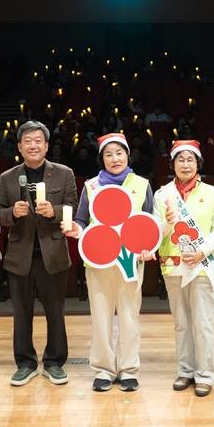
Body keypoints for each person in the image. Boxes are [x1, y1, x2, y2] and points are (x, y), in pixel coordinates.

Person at [66, 133, 155, 392]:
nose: (115, 158)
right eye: (108, 154)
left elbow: (150, 221)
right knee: (101, 317)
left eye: (119, 153)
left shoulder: (141, 184)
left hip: (131, 261)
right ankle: (104, 369)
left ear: (128, 155)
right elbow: (82, 220)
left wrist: (148, 247)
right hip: (99, 259)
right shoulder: (91, 186)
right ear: (101, 158)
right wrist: (76, 228)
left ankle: (128, 369)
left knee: (129, 316)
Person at [0, 121, 77, 387]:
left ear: (46, 145)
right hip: (19, 256)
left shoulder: (64, 173)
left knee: (56, 313)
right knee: (21, 314)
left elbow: (73, 208)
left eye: (38, 141)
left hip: (52, 254)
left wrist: (54, 211)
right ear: (19, 146)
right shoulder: (8, 177)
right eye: (27, 141)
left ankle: (54, 363)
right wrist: (12, 213)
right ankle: (25, 363)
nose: (33, 145)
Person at [153, 140, 214, 397]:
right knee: (181, 323)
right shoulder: (162, 195)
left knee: (203, 323)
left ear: (198, 164)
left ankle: (204, 374)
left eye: (190, 159)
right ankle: (185, 370)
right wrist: (165, 224)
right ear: (172, 164)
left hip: (202, 265)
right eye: (180, 159)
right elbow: (154, 236)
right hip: (173, 267)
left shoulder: (213, 192)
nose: (185, 164)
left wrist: (203, 251)